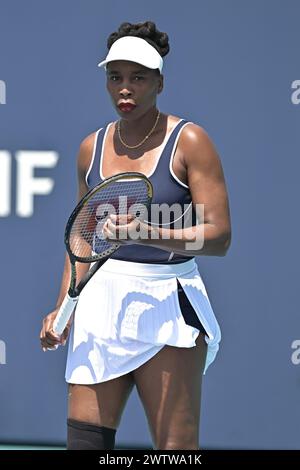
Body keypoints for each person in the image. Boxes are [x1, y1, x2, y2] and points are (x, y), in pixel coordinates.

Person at [40, 20, 231, 450]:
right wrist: (60, 310)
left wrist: (148, 232)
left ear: (159, 82)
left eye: (138, 78)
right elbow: (83, 239)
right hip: (99, 303)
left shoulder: (191, 141)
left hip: (167, 301)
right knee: (85, 445)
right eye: (115, 77)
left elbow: (219, 237)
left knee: (175, 451)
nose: (125, 89)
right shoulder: (90, 147)